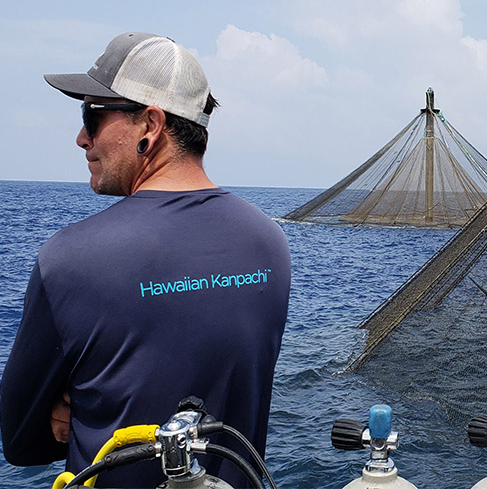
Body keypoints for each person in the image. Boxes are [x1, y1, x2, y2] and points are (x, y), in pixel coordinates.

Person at [0, 32, 292, 487]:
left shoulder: (71, 259)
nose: (81, 138)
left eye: (92, 115)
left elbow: (20, 442)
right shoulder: (270, 243)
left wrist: (70, 402)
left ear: (150, 125)